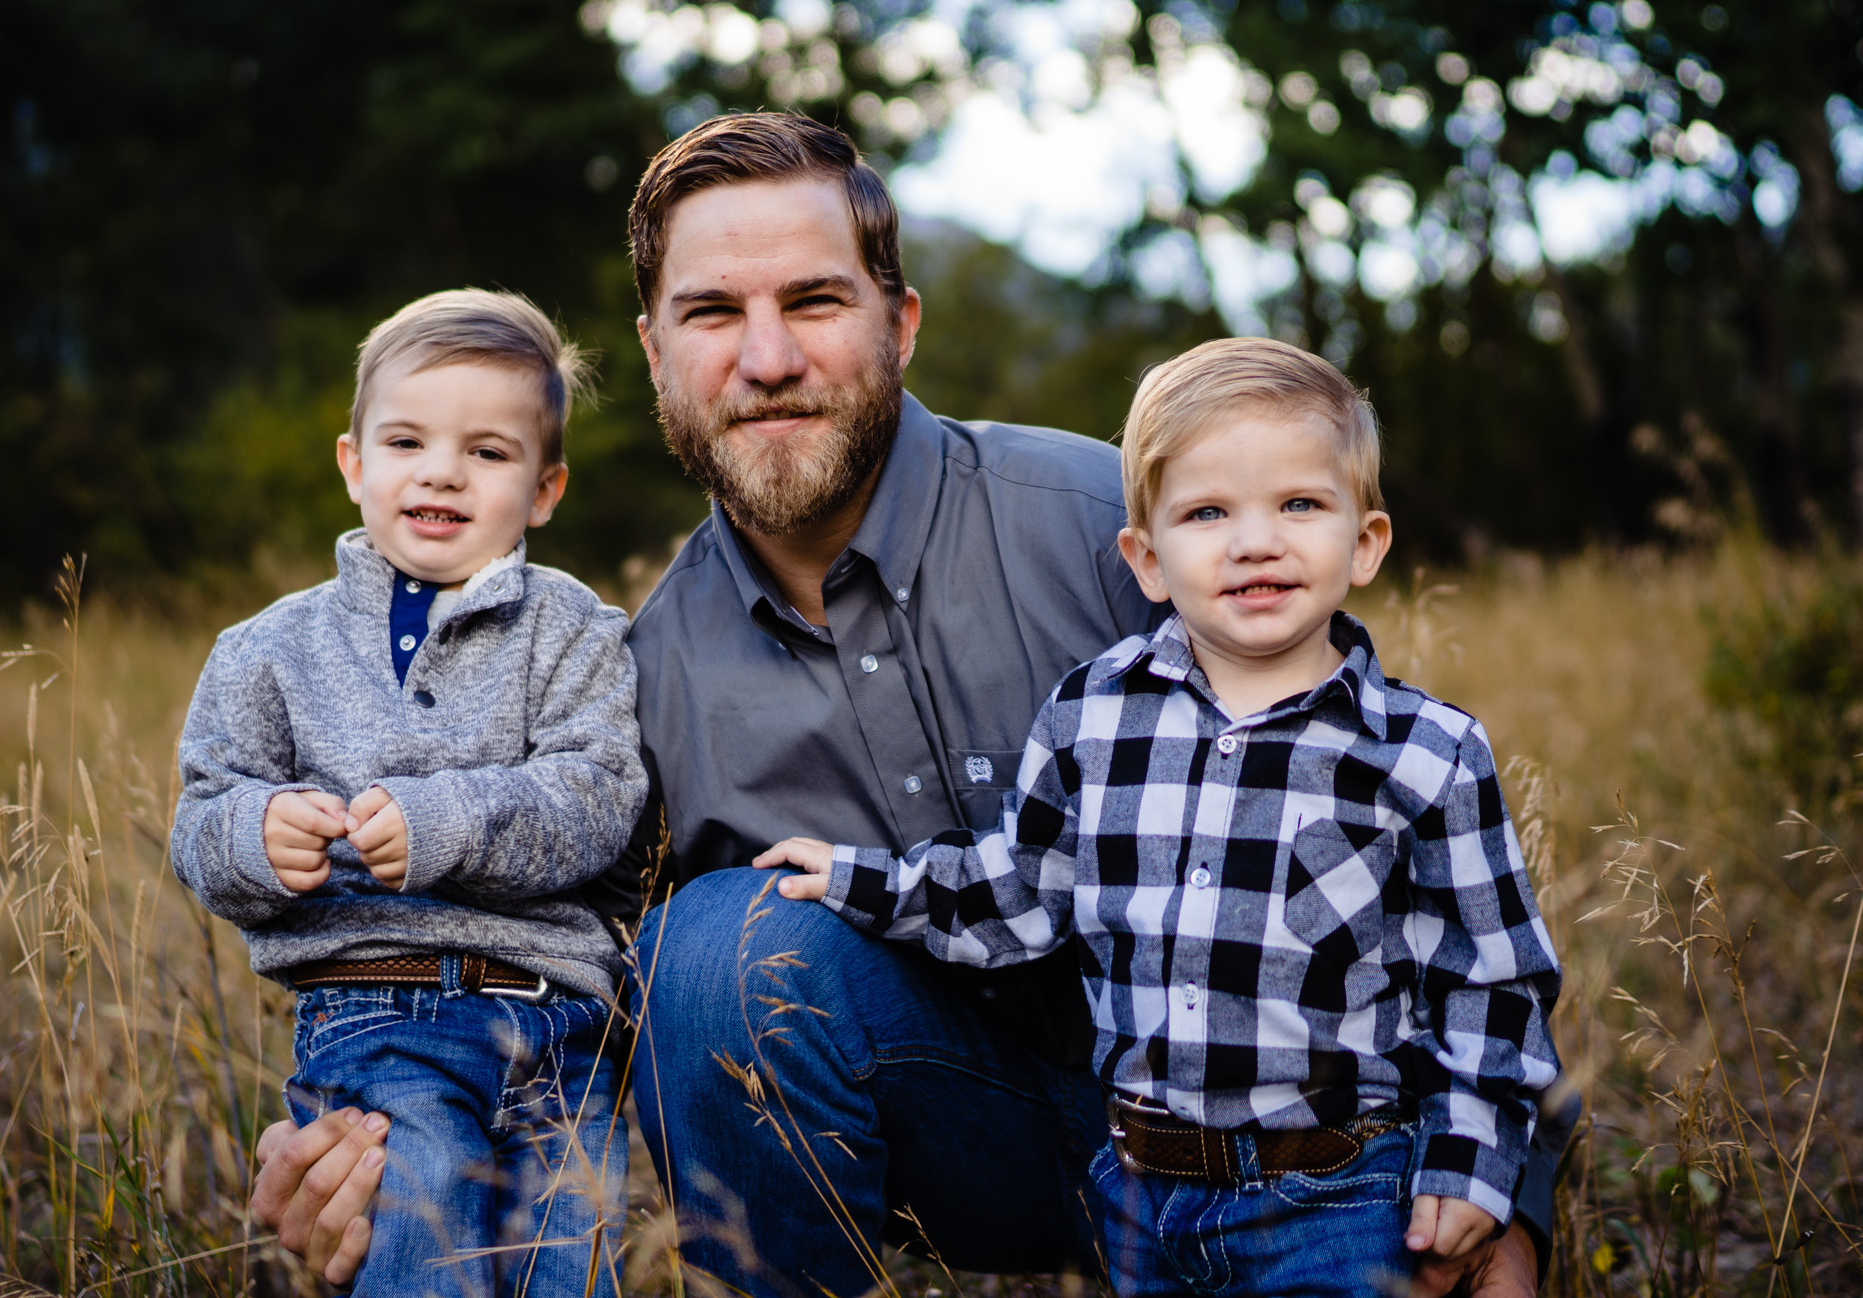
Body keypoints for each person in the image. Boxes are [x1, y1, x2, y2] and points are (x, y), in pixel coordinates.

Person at [248, 114, 1572, 1298]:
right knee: (708, 949)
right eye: (713, 314)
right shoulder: (635, 675)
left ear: (903, 321)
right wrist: (377, 1124)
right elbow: (553, 970)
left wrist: (1503, 1190)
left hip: (1287, 1147)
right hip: (975, 1149)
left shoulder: (1128, 527)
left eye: (815, 299)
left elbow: (1409, 870)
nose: (767, 358)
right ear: (655, 355)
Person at [753, 337, 1562, 1296]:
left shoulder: (1424, 753)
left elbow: (1491, 987)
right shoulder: (1094, 716)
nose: (1255, 540)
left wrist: (1474, 1163)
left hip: (1337, 1194)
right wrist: (861, 881)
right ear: (1147, 557)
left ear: (1367, 541)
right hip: (1139, 1191)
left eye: (1300, 504)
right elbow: (1017, 890)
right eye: (1208, 511)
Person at [172, 289, 644, 1297]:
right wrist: (257, 837)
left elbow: (598, 800)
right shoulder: (267, 652)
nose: (441, 470)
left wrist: (445, 823)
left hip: (556, 1024)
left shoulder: (574, 632)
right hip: (373, 1019)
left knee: (569, 1265)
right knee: (422, 1249)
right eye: (406, 441)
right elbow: (201, 824)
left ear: (546, 488)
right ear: (353, 465)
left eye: (488, 451)